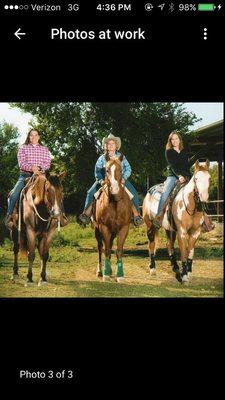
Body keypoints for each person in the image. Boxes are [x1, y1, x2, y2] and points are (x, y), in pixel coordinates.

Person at [5, 128, 67, 229]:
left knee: (55, 191)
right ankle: (10, 216)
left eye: (36, 135)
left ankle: (62, 215)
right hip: (25, 176)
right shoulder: (23, 148)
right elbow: (21, 162)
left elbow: (47, 163)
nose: (33, 137)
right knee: (14, 194)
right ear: (28, 137)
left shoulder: (44, 149)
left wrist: (39, 168)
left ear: (39, 137)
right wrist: (31, 168)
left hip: (42, 176)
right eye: (31, 135)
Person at [153, 131, 215, 232]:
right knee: (165, 194)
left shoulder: (184, 150)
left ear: (179, 140)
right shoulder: (169, 151)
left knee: (198, 193)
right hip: (173, 176)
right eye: (172, 139)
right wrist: (179, 176)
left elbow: (187, 164)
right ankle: (159, 217)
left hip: (187, 175)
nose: (174, 141)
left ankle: (205, 221)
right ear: (170, 141)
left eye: (176, 138)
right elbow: (172, 166)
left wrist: (197, 155)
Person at [78, 134, 143, 227]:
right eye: (109, 144)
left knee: (134, 194)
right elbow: (97, 171)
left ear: (116, 146)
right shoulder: (101, 158)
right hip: (105, 180)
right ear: (106, 146)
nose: (111, 145)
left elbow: (128, 169)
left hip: (120, 180)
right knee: (90, 193)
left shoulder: (121, 157)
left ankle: (136, 216)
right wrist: (101, 181)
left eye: (113, 143)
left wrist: (124, 178)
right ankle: (86, 215)